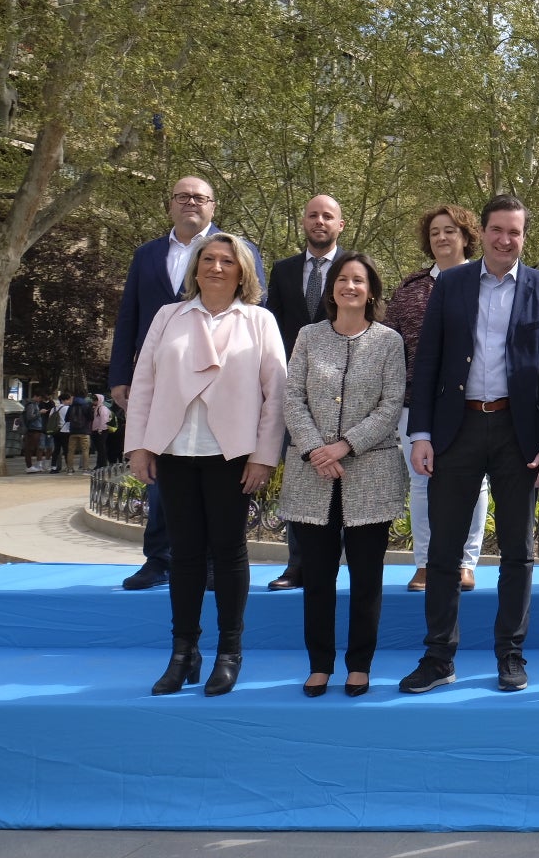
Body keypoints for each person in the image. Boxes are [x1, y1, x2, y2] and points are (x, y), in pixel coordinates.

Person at [399, 195, 539, 695]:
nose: (504, 240)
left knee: (518, 551)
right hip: (458, 430)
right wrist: (422, 434)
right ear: (485, 232)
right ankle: (438, 657)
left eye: (514, 232)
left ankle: (510, 655)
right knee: (443, 552)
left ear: (524, 236)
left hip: (520, 435)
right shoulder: (451, 284)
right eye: (497, 230)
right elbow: (427, 362)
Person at [122, 232, 287, 697]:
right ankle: (183, 652)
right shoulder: (168, 316)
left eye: (227, 262)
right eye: (208, 259)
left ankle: (229, 653)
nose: (216, 268)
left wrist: (263, 456)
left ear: (242, 273)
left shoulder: (259, 321)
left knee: (229, 552)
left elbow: (276, 394)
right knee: (185, 555)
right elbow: (145, 382)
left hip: (231, 456)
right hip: (174, 450)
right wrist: (139, 445)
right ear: (195, 268)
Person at [108, 176, 267, 591]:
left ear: (213, 206)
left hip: (225, 391)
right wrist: (120, 375)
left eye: (199, 197)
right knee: (161, 479)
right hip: (166, 381)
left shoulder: (238, 250)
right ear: (170, 205)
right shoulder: (147, 255)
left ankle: (214, 563)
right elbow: (129, 314)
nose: (190, 203)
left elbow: (253, 313)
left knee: (219, 497)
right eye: (182, 196)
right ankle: (158, 558)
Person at [280, 253, 407, 698]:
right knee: (317, 577)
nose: (349, 286)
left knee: (367, 578)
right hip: (312, 476)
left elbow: (391, 405)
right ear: (332, 288)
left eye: (359, 280)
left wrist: (345, 444)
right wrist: (317, 448)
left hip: (370, 473)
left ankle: (359, 664)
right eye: (342, 279)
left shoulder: (389, 341)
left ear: (371, 290)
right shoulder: (309, 337)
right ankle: (319, 664)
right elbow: (292, 397)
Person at [383, 204, 487, 594]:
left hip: (472, 401)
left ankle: (466, 563)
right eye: (434, 233)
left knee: (473, 483)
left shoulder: (486, 282)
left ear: (466, 236)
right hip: (417, 402)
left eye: (450, 231)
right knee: (422, 483)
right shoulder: (410, 290)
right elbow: (392, 348)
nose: (442, 238)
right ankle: (425, 564)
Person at [263, 194, 346, 592]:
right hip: (296, 390)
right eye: (313, 215)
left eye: (327, 216)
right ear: (303, 221)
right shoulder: (282, 271)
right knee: (301, 479)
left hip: (346, 392)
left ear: (339, 225)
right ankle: (298, 565)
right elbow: (271, 328)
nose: (319, 221)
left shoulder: (353, 269)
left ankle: (341, 560)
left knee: (346, 478)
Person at [65, 391, 95, 474]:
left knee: (71, 451)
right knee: (85, 450)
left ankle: (70, 469)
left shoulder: (71, 407)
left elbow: (66, 419)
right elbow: (91, 417)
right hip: (84, 431)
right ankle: (85, 469)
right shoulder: (87, 405)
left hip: (73, 432)